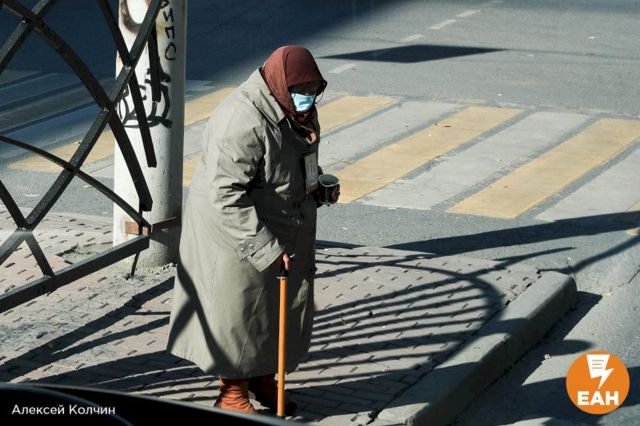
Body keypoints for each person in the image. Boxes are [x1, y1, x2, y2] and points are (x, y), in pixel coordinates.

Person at [167, 45, 335, 415]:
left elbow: (298, 161)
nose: (308, 99)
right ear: (281, 84)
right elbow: (225, 195)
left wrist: (316, 186)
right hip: (231, 229)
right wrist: (266, 248)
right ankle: (232, 392)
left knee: (273, 307)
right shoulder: (242, 119)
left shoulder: (296, 111)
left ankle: (261, 377)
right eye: (301, 91)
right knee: (239, 309)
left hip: (277, 220)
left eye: (314, 91)